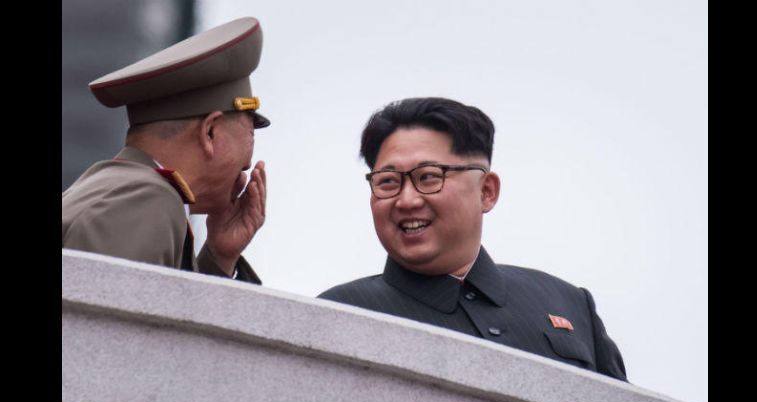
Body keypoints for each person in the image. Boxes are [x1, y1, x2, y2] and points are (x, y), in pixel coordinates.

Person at [319, 97, 627, 380]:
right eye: (387, 182)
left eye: (428, 177)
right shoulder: (337, 314)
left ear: (487, 191)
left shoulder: (568, 303)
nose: (407, 200)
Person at [62, 17, 270, 283]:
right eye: (244, 165)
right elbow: (112, 321)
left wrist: (219, 257)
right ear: (210, 132)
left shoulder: (118, 187)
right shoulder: (148, 199)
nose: (244, 177)